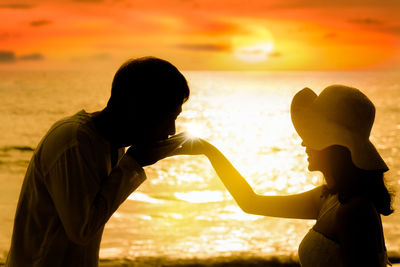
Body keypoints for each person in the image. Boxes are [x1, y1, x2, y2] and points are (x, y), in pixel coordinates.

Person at [173, 85, 393, 267]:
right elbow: (251, 202)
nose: (303, 143)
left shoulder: (355, 210)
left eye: (311, 136)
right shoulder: (327, 199)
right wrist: (208, 151)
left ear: (333, 146)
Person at [6, 57, 189, 267]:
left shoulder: (112, 144)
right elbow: (81, 230)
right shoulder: (74, 141)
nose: (171, 131)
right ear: (136, 107)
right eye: (168, 117)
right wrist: (134, 162)